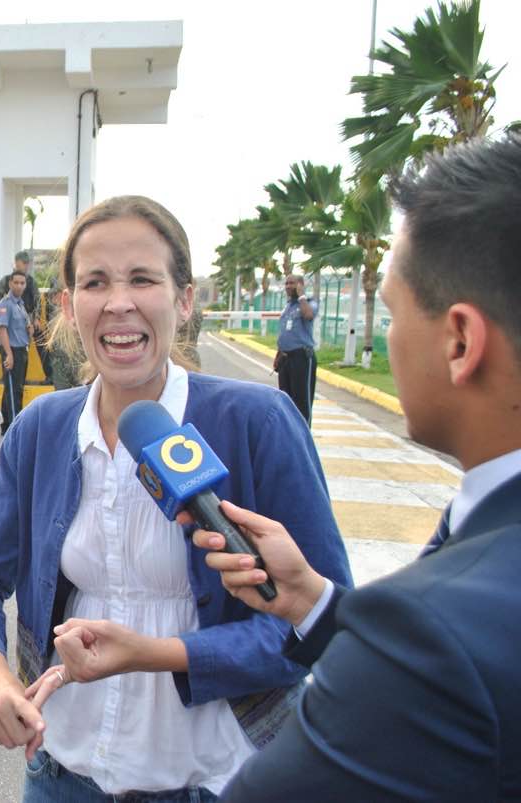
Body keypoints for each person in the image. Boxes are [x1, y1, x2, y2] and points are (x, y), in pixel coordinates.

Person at [0, 195, 351, 802]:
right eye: (95, 282)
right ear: (67, 306)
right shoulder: (40, 428)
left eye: (143, 278)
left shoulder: (258, 422)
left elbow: (318, 625)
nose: (118, 303)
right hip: (62, 777)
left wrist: (158, 654)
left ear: (184, 299)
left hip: (219, 780)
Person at [172, 135, 521, 800]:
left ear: (460, 341)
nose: (386, 336)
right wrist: (316, 602)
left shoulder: (433, 631)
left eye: (390, 312)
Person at [273, 274, 316, 423]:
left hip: (301, 357)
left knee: (301, 401)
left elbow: (309, 315)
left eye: (292, 283)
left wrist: (302, 296)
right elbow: (286, 331)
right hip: (286, 358)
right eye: (286, 283)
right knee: (285, 400)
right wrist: (279, 354)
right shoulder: (288, 306)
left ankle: (304, 436)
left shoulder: (309, 303)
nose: (288, 286)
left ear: (300, 285)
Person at [0, 271, 33, 434]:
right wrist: (9, 354)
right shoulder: (6, 304)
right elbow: (2, 330)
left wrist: (30, 330)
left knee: (15, 388)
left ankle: (7, 425)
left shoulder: (20, 304)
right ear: (10, 283)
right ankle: (13, 426)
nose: (19, 286)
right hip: (12, 350)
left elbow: (21, 328)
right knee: (13, 390)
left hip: (22, 350)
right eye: (16, 282)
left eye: (22, 283)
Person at [0, 250, 39, 315]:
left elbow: (37, 301)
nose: (26, 266)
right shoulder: (6, 280)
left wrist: (36, 317)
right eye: (23, 263)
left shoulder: (32, 282)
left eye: (22, 283)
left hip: (27, 317)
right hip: (9, 315)